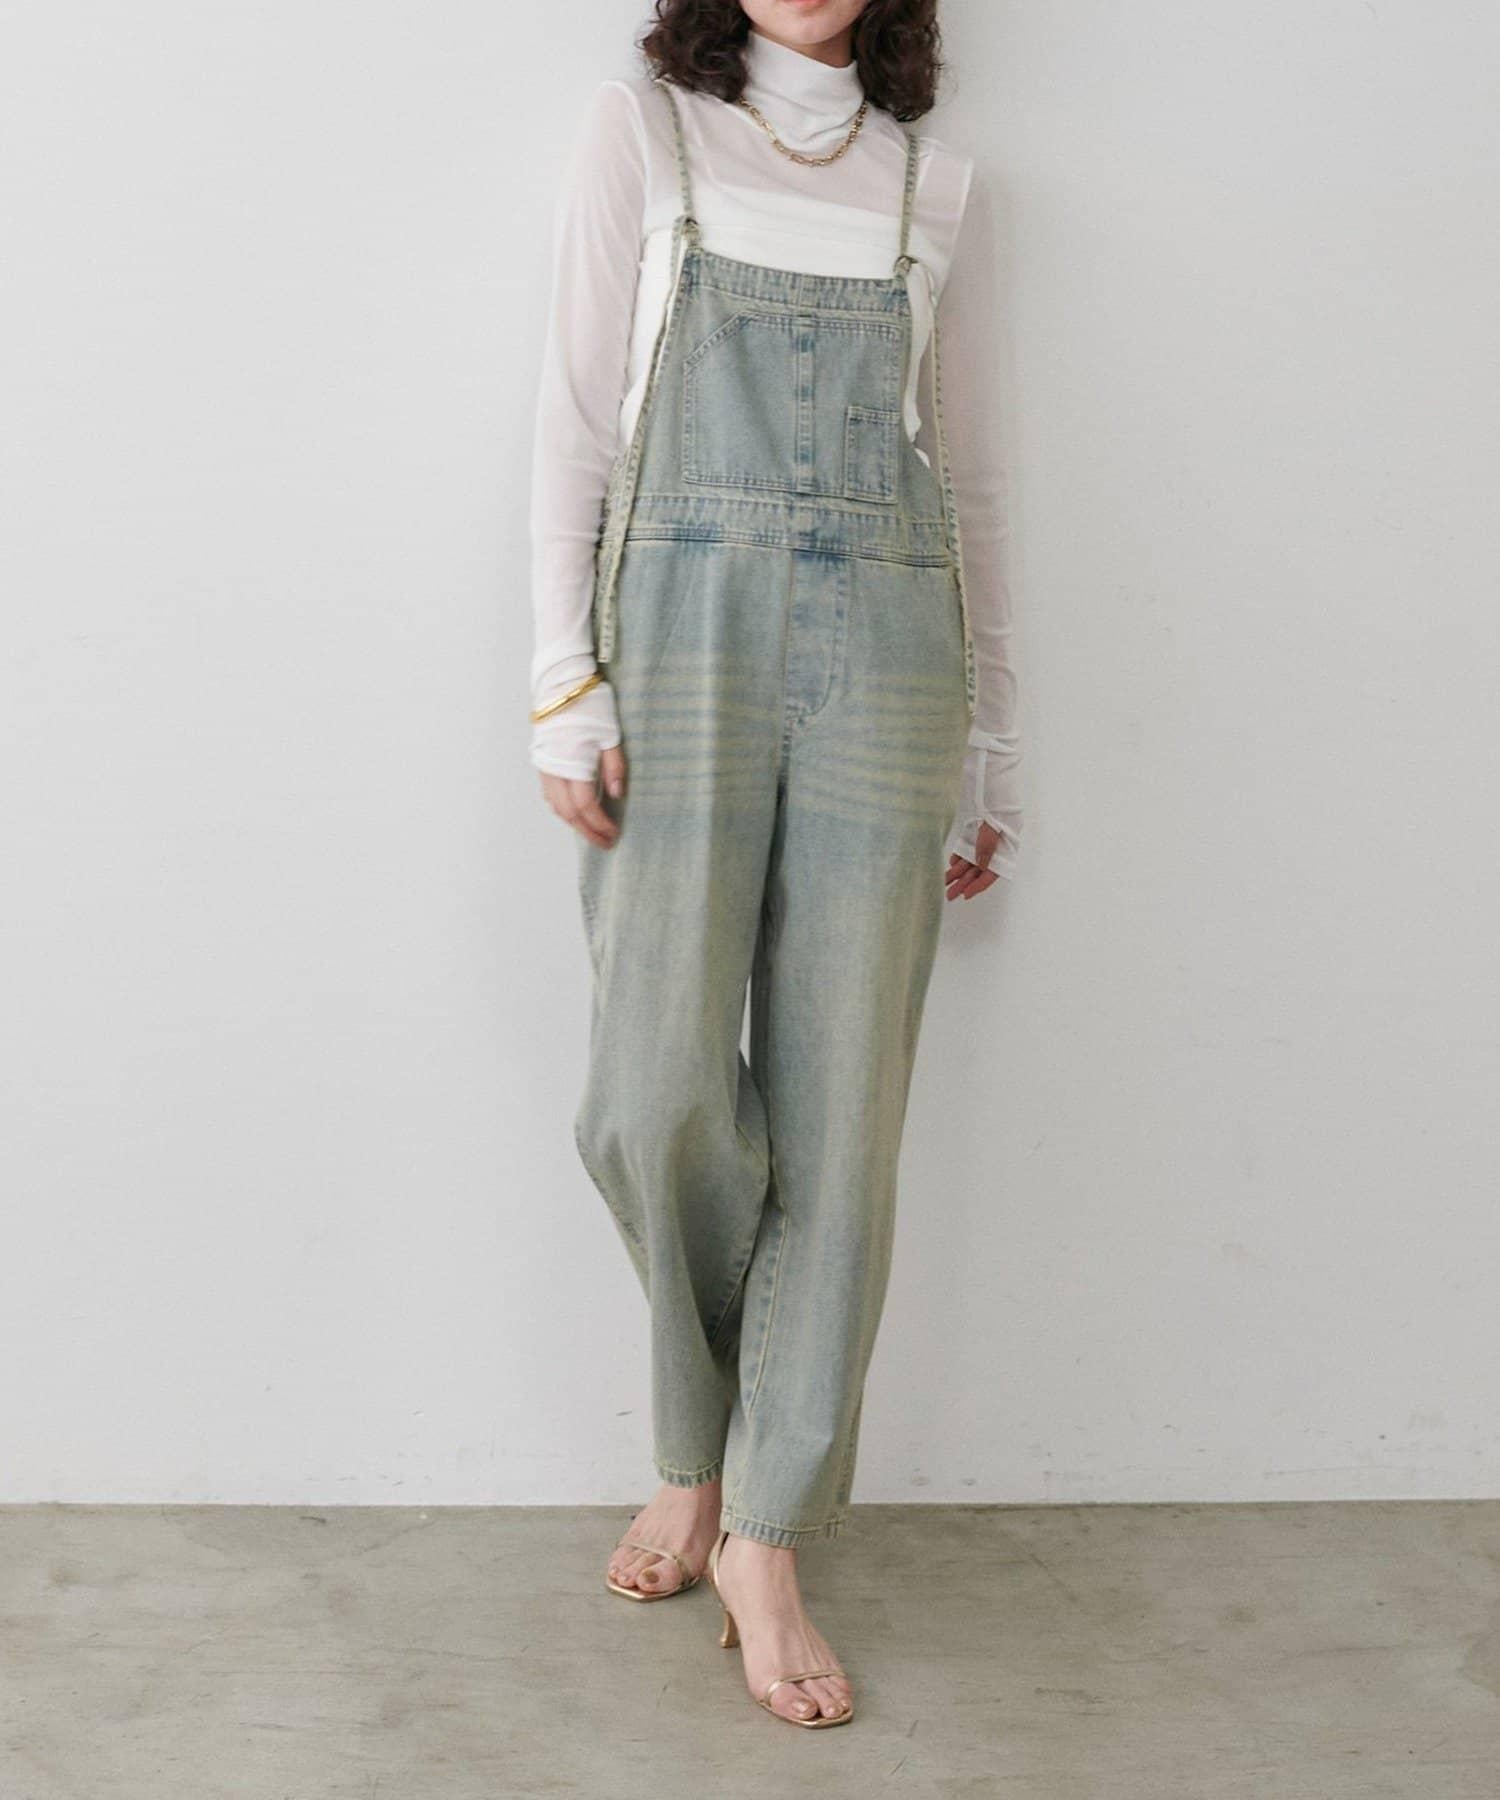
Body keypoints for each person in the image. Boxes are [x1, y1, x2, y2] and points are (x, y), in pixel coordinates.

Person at [527, 0, 1022, 1729]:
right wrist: (560, 683)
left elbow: (970, 481)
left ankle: (761, 1531)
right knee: (651, 1091)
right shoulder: (643, 133)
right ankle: (698, 1442)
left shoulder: (935, 182)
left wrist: (997, 744)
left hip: (891, 655)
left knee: (841, 1114)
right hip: (674, 641)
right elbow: (575, 421)